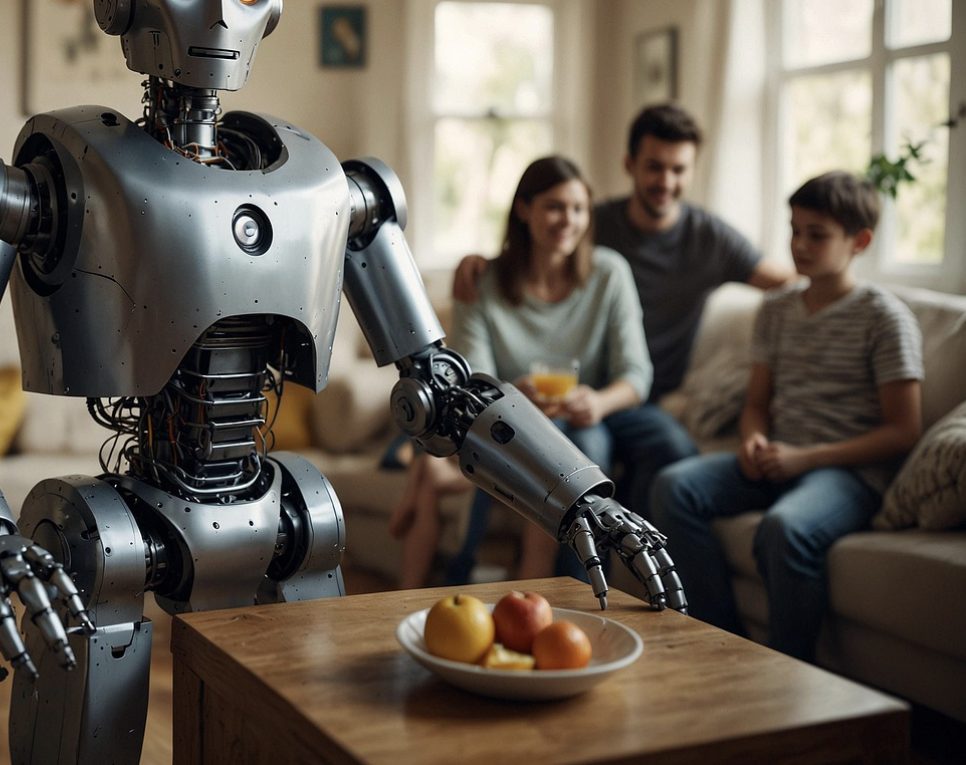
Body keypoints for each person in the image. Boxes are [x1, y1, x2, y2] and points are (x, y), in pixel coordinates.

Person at [452, 104, 792, 517]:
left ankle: (629, 556)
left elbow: (787, 282)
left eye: (679, 169)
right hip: (576, 393)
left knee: (674, 448)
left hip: (638, 395)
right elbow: (537, 244)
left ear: (692, 170)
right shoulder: (591, 222)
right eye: (654, 167)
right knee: (579, 455)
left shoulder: (710, 237)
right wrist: (478, 262)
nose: (666, 181)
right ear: (630, 164)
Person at [650, 171, 923, 662]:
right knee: (673, 487)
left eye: (817, 234)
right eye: (794, 230)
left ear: (859, 241)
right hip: (779, 458)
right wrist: (754, 441)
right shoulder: (775, 309)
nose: (800, 244)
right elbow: (757, 405)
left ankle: (790, 672)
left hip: (848, 474)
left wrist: (807, 458)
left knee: (785, 528)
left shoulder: (885, 317)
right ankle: (720, 643)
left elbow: (904, 431)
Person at [389, 155, 653, 588]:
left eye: (578, 208)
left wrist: (599, 400)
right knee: (535, 452)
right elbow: (473, 380)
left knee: (569, 453)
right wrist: (515, 396)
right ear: (524, 209)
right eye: (554, 206)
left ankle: (546, 593)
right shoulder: (483, 280)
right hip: (502, 423)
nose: (567, 220)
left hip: (578, 419)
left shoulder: (609, 273)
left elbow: (637, 374)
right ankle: (410, 596)